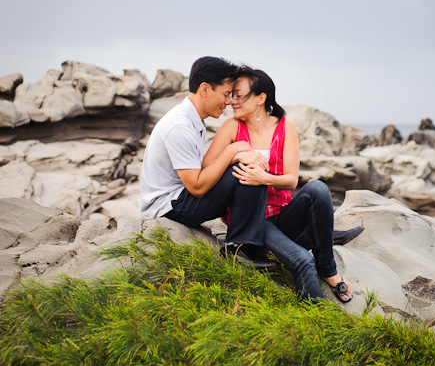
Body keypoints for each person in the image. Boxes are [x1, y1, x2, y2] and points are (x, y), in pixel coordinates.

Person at [203, 65, 360, 303]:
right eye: (232, 95)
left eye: (239, 95)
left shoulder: (285, 126)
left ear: (260, 98)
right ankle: (320, 322)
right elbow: (208, 165)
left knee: (317, 188)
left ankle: (329, 270)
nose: (232, 101)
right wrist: (233, 153)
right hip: (252, 224)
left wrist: (263, 178)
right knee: (303, 260)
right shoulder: (232, 127)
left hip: (283, 216)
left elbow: (291, 180)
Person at [141, 56, 274, 263]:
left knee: (248, 172)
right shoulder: (179, 126)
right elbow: (197, 186)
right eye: (226, 94)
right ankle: (239, 250)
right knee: (246, 169)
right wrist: (232, 152)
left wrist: (234, 155)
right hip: (169, 207)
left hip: (179, 198)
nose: (229, 101)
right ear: (205, 89)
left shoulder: (193, 119)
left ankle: (245, 246)